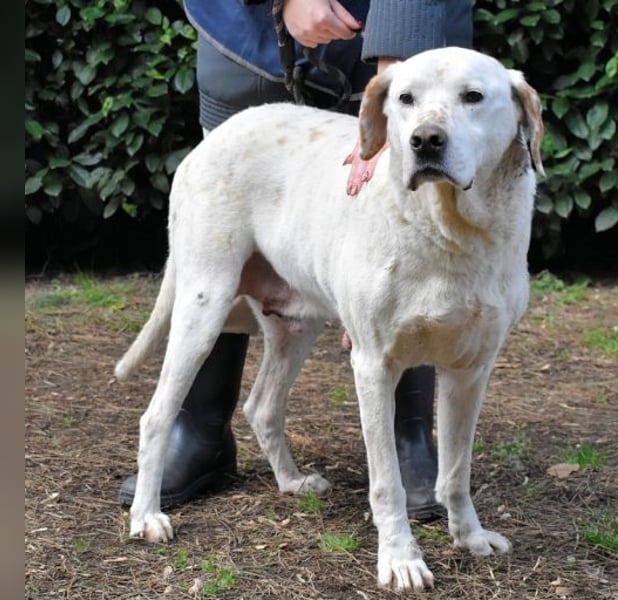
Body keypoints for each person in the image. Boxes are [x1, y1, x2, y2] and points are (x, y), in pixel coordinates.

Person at [119, 0, 473, 520]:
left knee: (396, 261)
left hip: (401, 47)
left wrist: (395, 74)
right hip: (245, 35)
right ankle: (195, 427)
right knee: (211, 295)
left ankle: (409, 434)